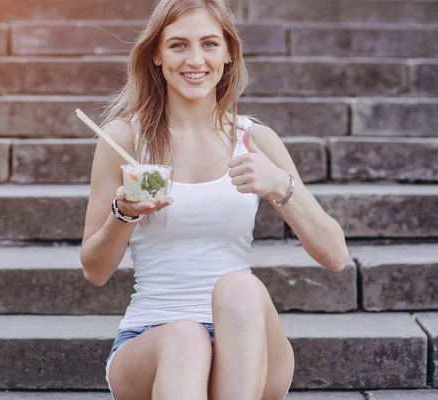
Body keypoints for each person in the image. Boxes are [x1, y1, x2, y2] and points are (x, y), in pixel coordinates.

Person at [79, 0, 350, 399]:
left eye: (208, 44)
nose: (195, 59)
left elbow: (336, 255)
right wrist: (124, 214)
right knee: (187, 337)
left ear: (227, 54)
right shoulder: (124, 140)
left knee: (240, 287)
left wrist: (280, 184)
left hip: (247, 341)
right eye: (177, 45)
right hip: (155, 339)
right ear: (155, 54)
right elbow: (95, 270)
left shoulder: (255, 140)